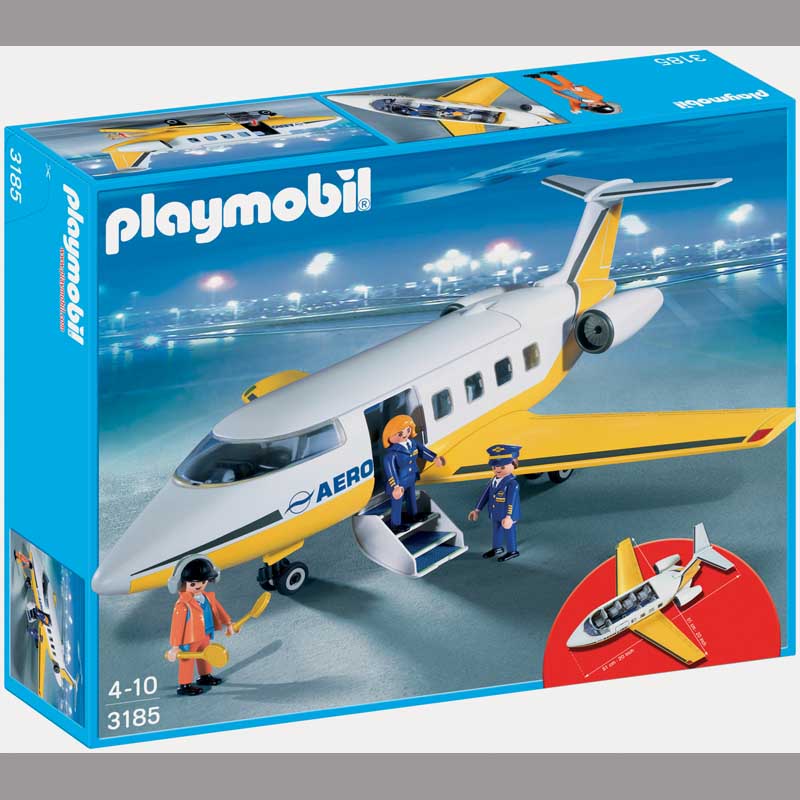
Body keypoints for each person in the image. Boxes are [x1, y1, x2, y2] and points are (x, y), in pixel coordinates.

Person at [166, 556, 236, 696]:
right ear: (182, 583)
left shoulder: (208, 597)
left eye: (203, 582)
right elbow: (177, 626)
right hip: (189, 639)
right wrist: (175, 646)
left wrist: (228, 623)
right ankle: (185, 684)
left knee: (206, 655)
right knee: (187, 660)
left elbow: (219, 610)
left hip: (205, 633)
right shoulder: (182, 604)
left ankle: (205, 676)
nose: (199, 586)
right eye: (193, 584)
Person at [382, 414, 445, 533]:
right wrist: (395, 486)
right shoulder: (392, 454)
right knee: (397, 503)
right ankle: (396, 524)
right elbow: (391, 471)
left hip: (410, 478)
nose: (404, 435)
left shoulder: (413, 444)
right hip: (399, 482)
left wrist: (434, 458)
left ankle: (413, 515)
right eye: (399, 434)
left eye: (407, 430)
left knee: (411, 497)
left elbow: (423, 452)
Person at [468, 444, 522, 562]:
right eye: (494, 467)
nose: (497, 470)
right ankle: (497, 548)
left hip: (508, 515)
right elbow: (485, 495)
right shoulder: (493, 480)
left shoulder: (512, 484)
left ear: (514, 464)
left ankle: (512, 550)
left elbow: (511, 501)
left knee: (509, 532)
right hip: (496, 512)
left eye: (502, 467)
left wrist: (509, 516)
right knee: (496, 531)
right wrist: (477, 510)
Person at [526, 71, 621, 115]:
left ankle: (536, 77)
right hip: (572, 89)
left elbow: (573, 102)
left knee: (551, 85)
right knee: (566, 83)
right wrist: (579, 89)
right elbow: (588, 91)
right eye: (596, 105)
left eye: (591, 107)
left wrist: (575, 109)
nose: (591, 105)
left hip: (563, 92)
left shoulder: (582, 101)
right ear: (603, 103)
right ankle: (554, 74)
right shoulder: (597, 97)